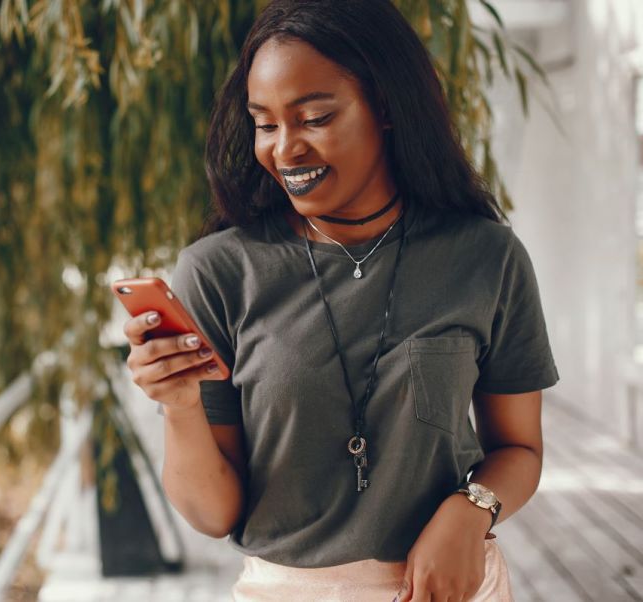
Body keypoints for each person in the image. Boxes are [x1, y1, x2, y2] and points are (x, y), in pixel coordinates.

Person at [122, 1, 559, 600]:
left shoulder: (486, 257)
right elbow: (214, 513)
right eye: (265, 124)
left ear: (386, 107)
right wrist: (179, 407)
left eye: (314, 117)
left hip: (445, 588)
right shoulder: (219, 272)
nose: (284, 149)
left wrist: (471, 507)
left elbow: (520, 448)